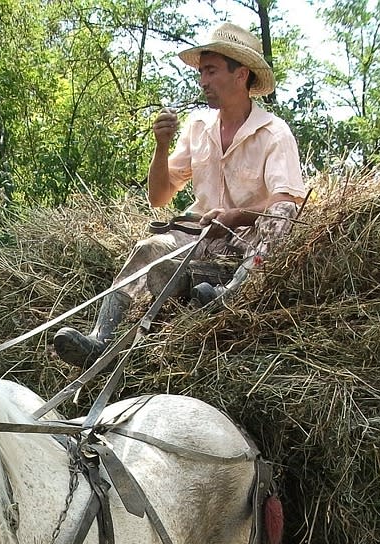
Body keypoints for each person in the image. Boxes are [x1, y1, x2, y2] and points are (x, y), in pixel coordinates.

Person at [53, 22, 307, 368]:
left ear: (241, 74)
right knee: (148, 248)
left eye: (211, 70)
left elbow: (289, 200)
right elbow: (159, 197)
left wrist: (236, 215)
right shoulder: (198, 127)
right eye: (201, 71)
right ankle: (101, 338)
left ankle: (230, 294)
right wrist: (161, 146)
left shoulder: (274, 133)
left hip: (251, 239)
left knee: (282, 215)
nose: (202, 81)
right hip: (200, 236)